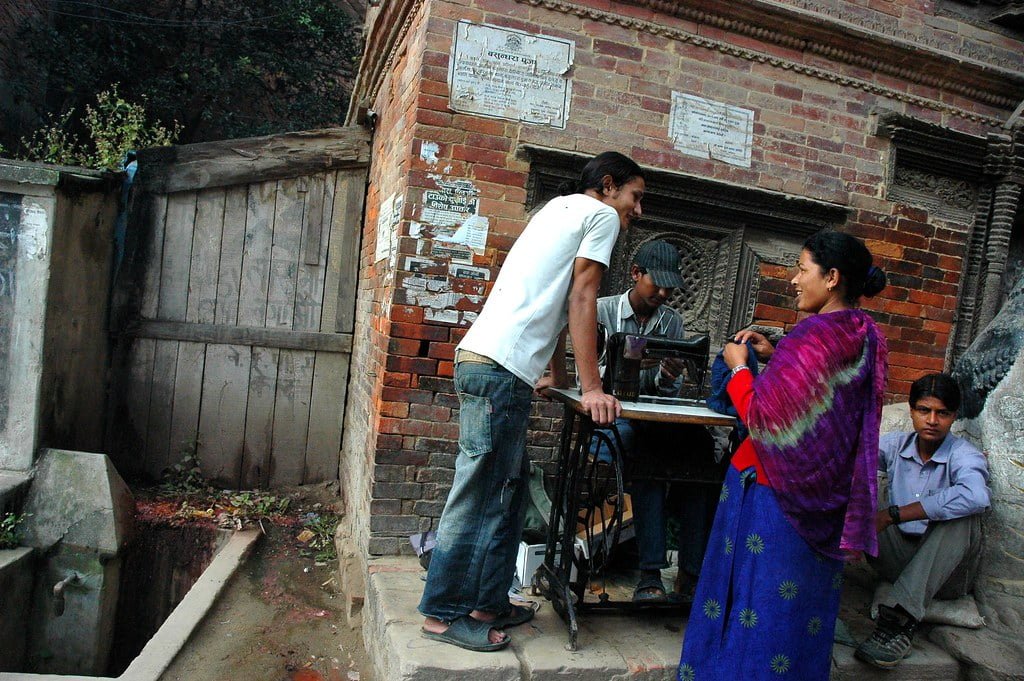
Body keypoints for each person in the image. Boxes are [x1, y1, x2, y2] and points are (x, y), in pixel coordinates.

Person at [418, 151, 645, 652]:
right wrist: (590, 388)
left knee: (511, 491)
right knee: (479, 497)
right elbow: (583, 299)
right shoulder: (602, 215)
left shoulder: (557, 209)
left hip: (491, 364)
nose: (638, 209)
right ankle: (443, 614)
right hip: (498, 371)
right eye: (636, 196)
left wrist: (559, 373)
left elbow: (558, 300)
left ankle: (487, 601)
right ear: (609, 186)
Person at [678, 230, 889, 680]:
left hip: (771, 493)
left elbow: (764, 417)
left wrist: (738, 366)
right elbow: (819, 402)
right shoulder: (863, 333)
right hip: (826, 497)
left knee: (751, 600)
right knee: (799, 610)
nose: (794, 280)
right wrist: (778, 356)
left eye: (802, 269)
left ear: (831, 277)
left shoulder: (813, 335)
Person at [590, 239, 716, 602]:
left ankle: (691, 573)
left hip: (652, 420)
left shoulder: (671, 321)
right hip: (608, 419)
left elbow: (667, 393)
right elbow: (590, 379)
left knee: (702, 456)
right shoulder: (601, 312)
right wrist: (628, 363)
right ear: (635, 274)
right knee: (651, 461)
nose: (663, 292)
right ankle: (649, 574)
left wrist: (668, 373)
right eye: (655, 283)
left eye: (669, 286)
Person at [855, 373, 990, 669]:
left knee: (964, 513)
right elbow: (850, 459)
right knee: (862, 483)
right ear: (912, 411)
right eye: (924, 410)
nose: (932, 420)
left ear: (954, 416)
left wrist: (895, 515)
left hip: (947, 575)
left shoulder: (964, 455)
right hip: (896, 560)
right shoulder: (893, 445)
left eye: (942, 413)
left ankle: (899, 622)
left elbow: (977, 496)